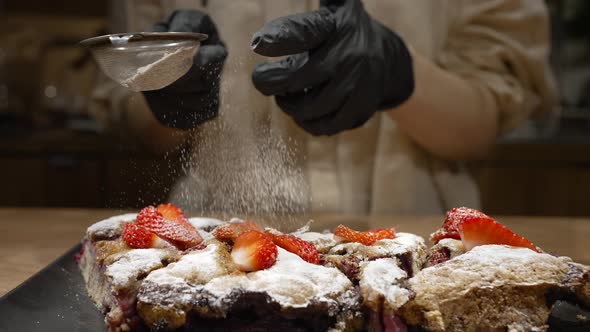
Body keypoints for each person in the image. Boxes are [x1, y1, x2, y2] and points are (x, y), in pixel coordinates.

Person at [91, 0, 556, 216]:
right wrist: (168, 94)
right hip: (211, 238)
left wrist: (399, 73)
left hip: (417, 244)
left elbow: (485, 120)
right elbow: (134, 123)